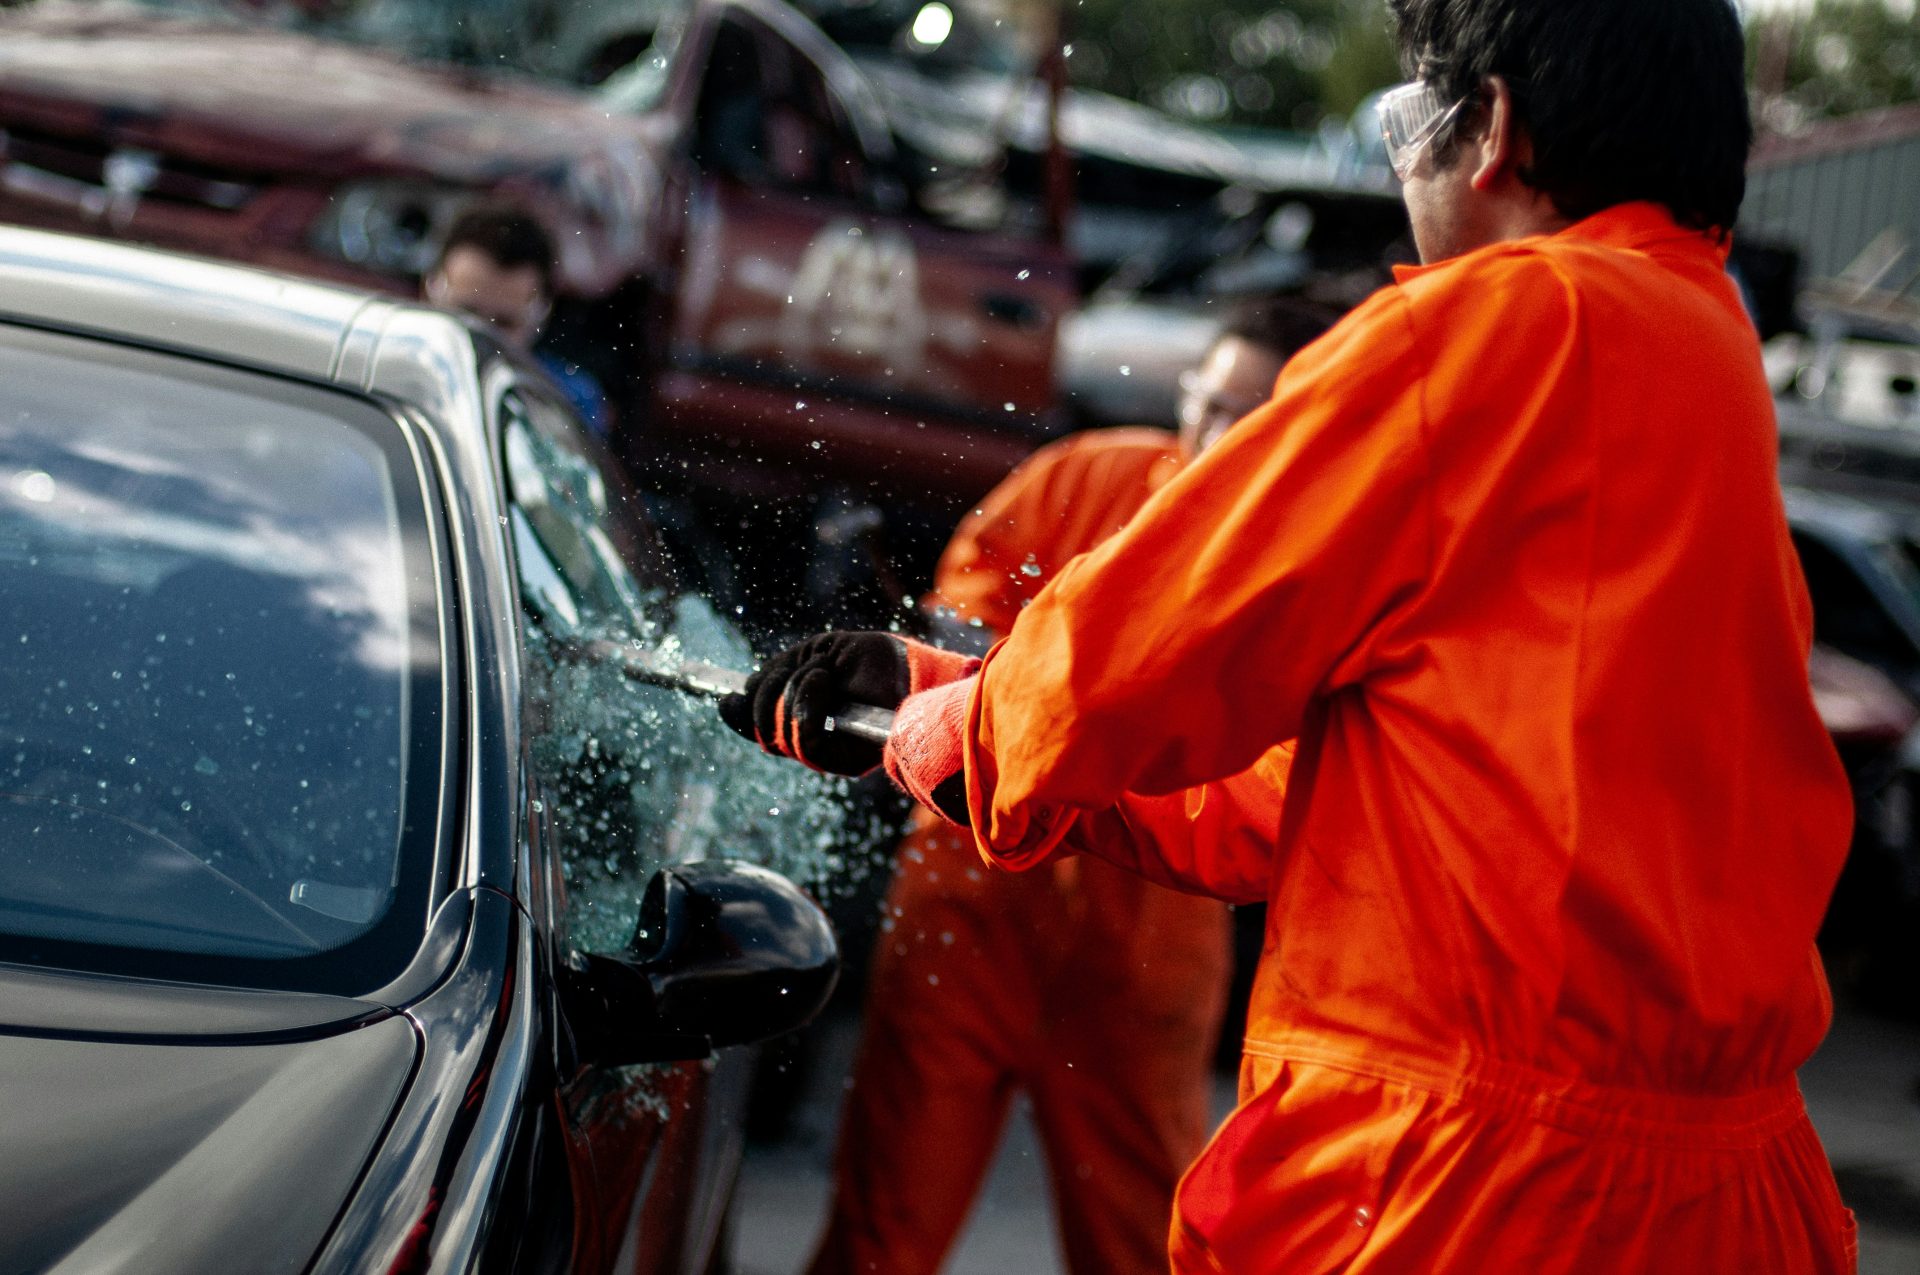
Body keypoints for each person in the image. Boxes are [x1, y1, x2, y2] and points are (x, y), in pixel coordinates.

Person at [722, 0, 1861, 1270]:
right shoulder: (1701, 349)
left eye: (1404, 117)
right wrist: (944, 692)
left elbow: (1122, 675)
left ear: (1487, 131)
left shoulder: (1494, 325)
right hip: (1711, 1188)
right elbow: (1293, 801)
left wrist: (938, 722)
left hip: (1468, 1183)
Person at [801, 301, 1334, 1275]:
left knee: (1139, 1244)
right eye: (1207, 405)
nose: (1215, 437)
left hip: (1142, 958)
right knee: (883, 1233)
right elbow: (961, 608)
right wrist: (1013, 689)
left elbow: (1267, 798)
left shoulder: (1315, 570)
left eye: (1248, 418)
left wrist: (1048, 706)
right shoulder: (1085, 478)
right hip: (970, 913)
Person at [423, 204, 611, 438]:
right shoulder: (389, 368)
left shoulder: (567, 401)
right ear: (431, 288)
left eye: (503, 324)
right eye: (466, 314)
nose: (481, 336)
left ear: (542, 312)